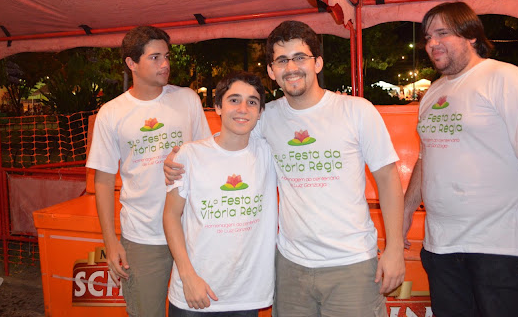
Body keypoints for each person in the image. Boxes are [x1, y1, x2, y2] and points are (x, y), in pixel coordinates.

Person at [167, 21, 405, 317]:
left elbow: (388, 179)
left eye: (299, 57)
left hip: (351, 263)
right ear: (271, 70)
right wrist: (178, 158)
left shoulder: (356, 110)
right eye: (281, 60)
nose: (291, 67)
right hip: (291, 267)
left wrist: (395, 248)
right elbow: (227, 141)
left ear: (317, 63)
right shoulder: (267, 117)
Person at [402, 1, 518, 317]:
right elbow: (427, 157)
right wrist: (405, 211)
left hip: (501, 250)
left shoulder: (508, 79)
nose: (432, 44)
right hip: (441, 248)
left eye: (442, 33)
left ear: (471, 36)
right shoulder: (433, 92)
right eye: (428, 37)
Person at [87, 26, 211, 317]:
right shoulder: (112, 112)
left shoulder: (187, 99)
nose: (165, 64)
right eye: (155, 57)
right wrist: (110, 240)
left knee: (200, 311)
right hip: (142, 236)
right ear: (131, 63)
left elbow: (206, 158)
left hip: (192, 231)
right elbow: (103, 180)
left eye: (166, 56)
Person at [163, 71, 277, 316]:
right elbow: (171, 215)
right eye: (234, 100)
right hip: (194, 293)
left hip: (246, 297)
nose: (243, 109)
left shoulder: (269, 153)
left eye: (252, 102)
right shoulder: (189, 155)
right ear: (218, 107)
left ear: (260, 112)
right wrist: (187, 276)